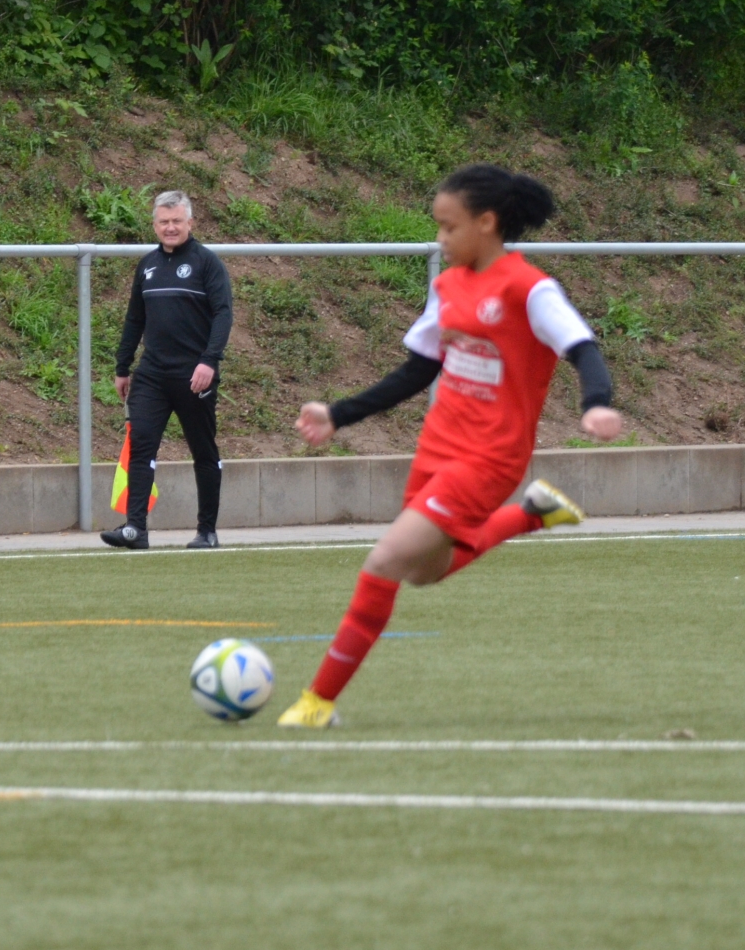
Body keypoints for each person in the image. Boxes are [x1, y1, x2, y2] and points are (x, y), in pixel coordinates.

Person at [275, 164, 622, 728]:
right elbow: (417, 370)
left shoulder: (529, 289)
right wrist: (338, 414)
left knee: (385, 560)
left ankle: (318, 701)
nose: (440, 238)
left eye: (448, 226)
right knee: (423, 573)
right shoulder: (449, 286)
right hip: (438, 448)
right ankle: (531, 515)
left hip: (490, 457)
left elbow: (581, 346)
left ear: (486, 223)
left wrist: (596, 404)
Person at [103, 191, 233, 551]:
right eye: (164, 221)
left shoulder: (207, 264)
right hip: (152, 375)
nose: (171, 227)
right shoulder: (146, 265)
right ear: (155, 224)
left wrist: (210, 360)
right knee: (141, 443)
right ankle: (135, 529)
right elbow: (135, 318)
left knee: (203, 450)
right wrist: (122, 366)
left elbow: (223, 314)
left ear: (190, 222)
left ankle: (207, 530)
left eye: (177, 220)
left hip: (194, 376)